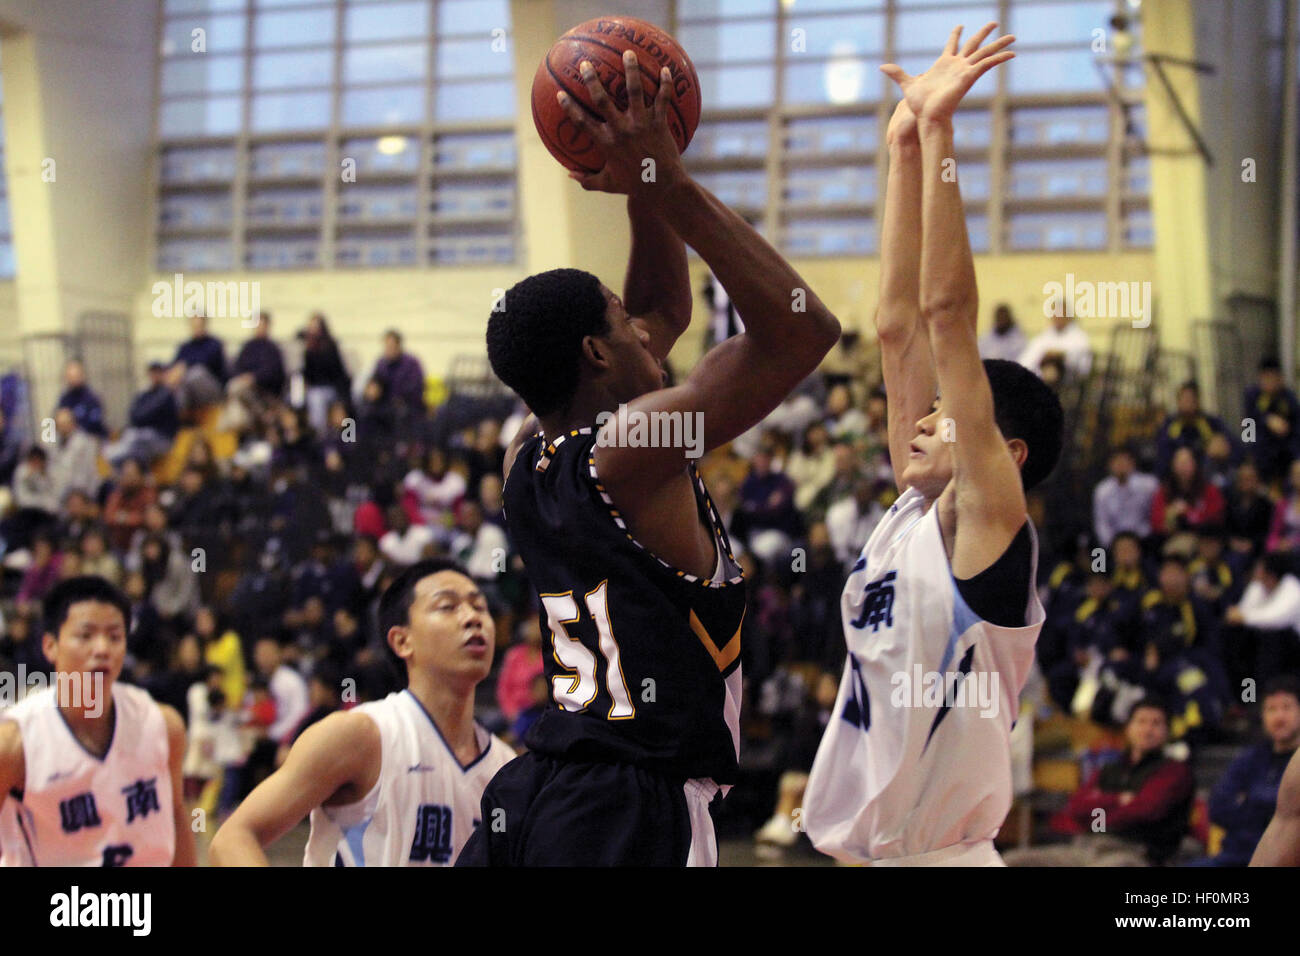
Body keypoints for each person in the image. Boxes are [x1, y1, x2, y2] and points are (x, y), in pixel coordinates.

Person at [460, 49, 840, 867]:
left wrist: (641, 173)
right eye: (620, 322)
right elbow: (802, 330)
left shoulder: (528, 453)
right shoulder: (632, 449)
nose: (647, 326)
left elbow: (667, 304)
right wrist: (671, 187)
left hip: (544, 792)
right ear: (598, 356)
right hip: (627, 808)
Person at [802, 25, 1064, 868]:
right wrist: (904, 148)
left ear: (1005, 451)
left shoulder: (990, 529)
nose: (917, 420)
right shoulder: (910, 516)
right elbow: (895, 327)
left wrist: (946, 133)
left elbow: (947, 315)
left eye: (942, 412)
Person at [209, 559, 514, 866]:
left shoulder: (507, 768)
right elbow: (234, 837)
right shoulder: (360, 735)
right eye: (447, 606)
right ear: (402, 641)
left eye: (480, 606)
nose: (472, 617)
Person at [0, 576, 196, 866]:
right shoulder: (14, 744)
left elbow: (177, 817)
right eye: (86, 635)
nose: (102, 649)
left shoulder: (164, 726)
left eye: (115, 637)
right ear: (50, 646)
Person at [1007, 698, 1194, 866]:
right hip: (1086, 847)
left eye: (1156, 723)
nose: (1147, 729)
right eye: (1141, 722)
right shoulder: (1110, 768)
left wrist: (1099, 804)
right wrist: (1118, 800)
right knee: (1013, 861)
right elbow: (1076, 807)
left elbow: (1144, 811)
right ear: (1128, 728)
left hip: (1135, 852)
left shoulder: (1174, 772)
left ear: (1167, 731)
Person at [1196, 677, 1300, 866]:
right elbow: (1218, 806)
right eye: (1271, 709)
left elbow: (1287, 813)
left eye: (1286, 708)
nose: (1279, 717)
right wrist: (1265, 809)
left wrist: (1250, 800)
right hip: (1235, 854)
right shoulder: (1250, 758)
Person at [106, 361, 181, 467]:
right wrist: (146, 416)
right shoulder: (144, 395)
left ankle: (121, 457)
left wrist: (145, 415)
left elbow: (151, 414)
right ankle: (138, 474)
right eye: (153, 373)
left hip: (162, 438)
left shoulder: (168, 395)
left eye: (158, 372)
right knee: (134, 442)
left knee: (139, 438)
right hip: (143, 436)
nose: (155, 376)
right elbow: (133, 416)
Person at [1092, 445, 1158, 548]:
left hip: (1144, 540)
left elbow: (1154, 516)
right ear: (1110, 466)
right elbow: (1102, 524)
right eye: (1117, 462)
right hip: (1114, 543)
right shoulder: (1102, 491)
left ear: (1132, 463)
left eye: (1124, 462)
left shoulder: (1149, 485)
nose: (1121, 466)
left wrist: (1141, 539)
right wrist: (1112, 544)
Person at [56, 358, 107, 438]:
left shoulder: (92, 398)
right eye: (70, 376)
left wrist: (74, 426)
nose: (73, 379)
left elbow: (95, 424)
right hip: (68, 439)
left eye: (76, 376)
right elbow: (57, 418)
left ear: (82, 376)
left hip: (90, 438)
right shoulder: (64, 398)